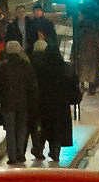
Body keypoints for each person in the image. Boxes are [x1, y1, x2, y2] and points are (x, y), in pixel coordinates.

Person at [32, 36, 79, 167]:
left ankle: (39, 148)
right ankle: (55, 151)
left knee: (45, 127)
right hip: (61, 106)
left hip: (45, 104)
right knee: (57, 129)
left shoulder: (41, 69)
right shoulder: (66, 68)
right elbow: (73, 86)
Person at [0, 38, 39, 167]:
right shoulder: (26, 66)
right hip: (24, 103)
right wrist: (33, 103)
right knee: (22, 128)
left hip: (7, 103)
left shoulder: (2, 67)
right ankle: (20, 152)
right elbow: (32, 87)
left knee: (10, 130)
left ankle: (12, 156)